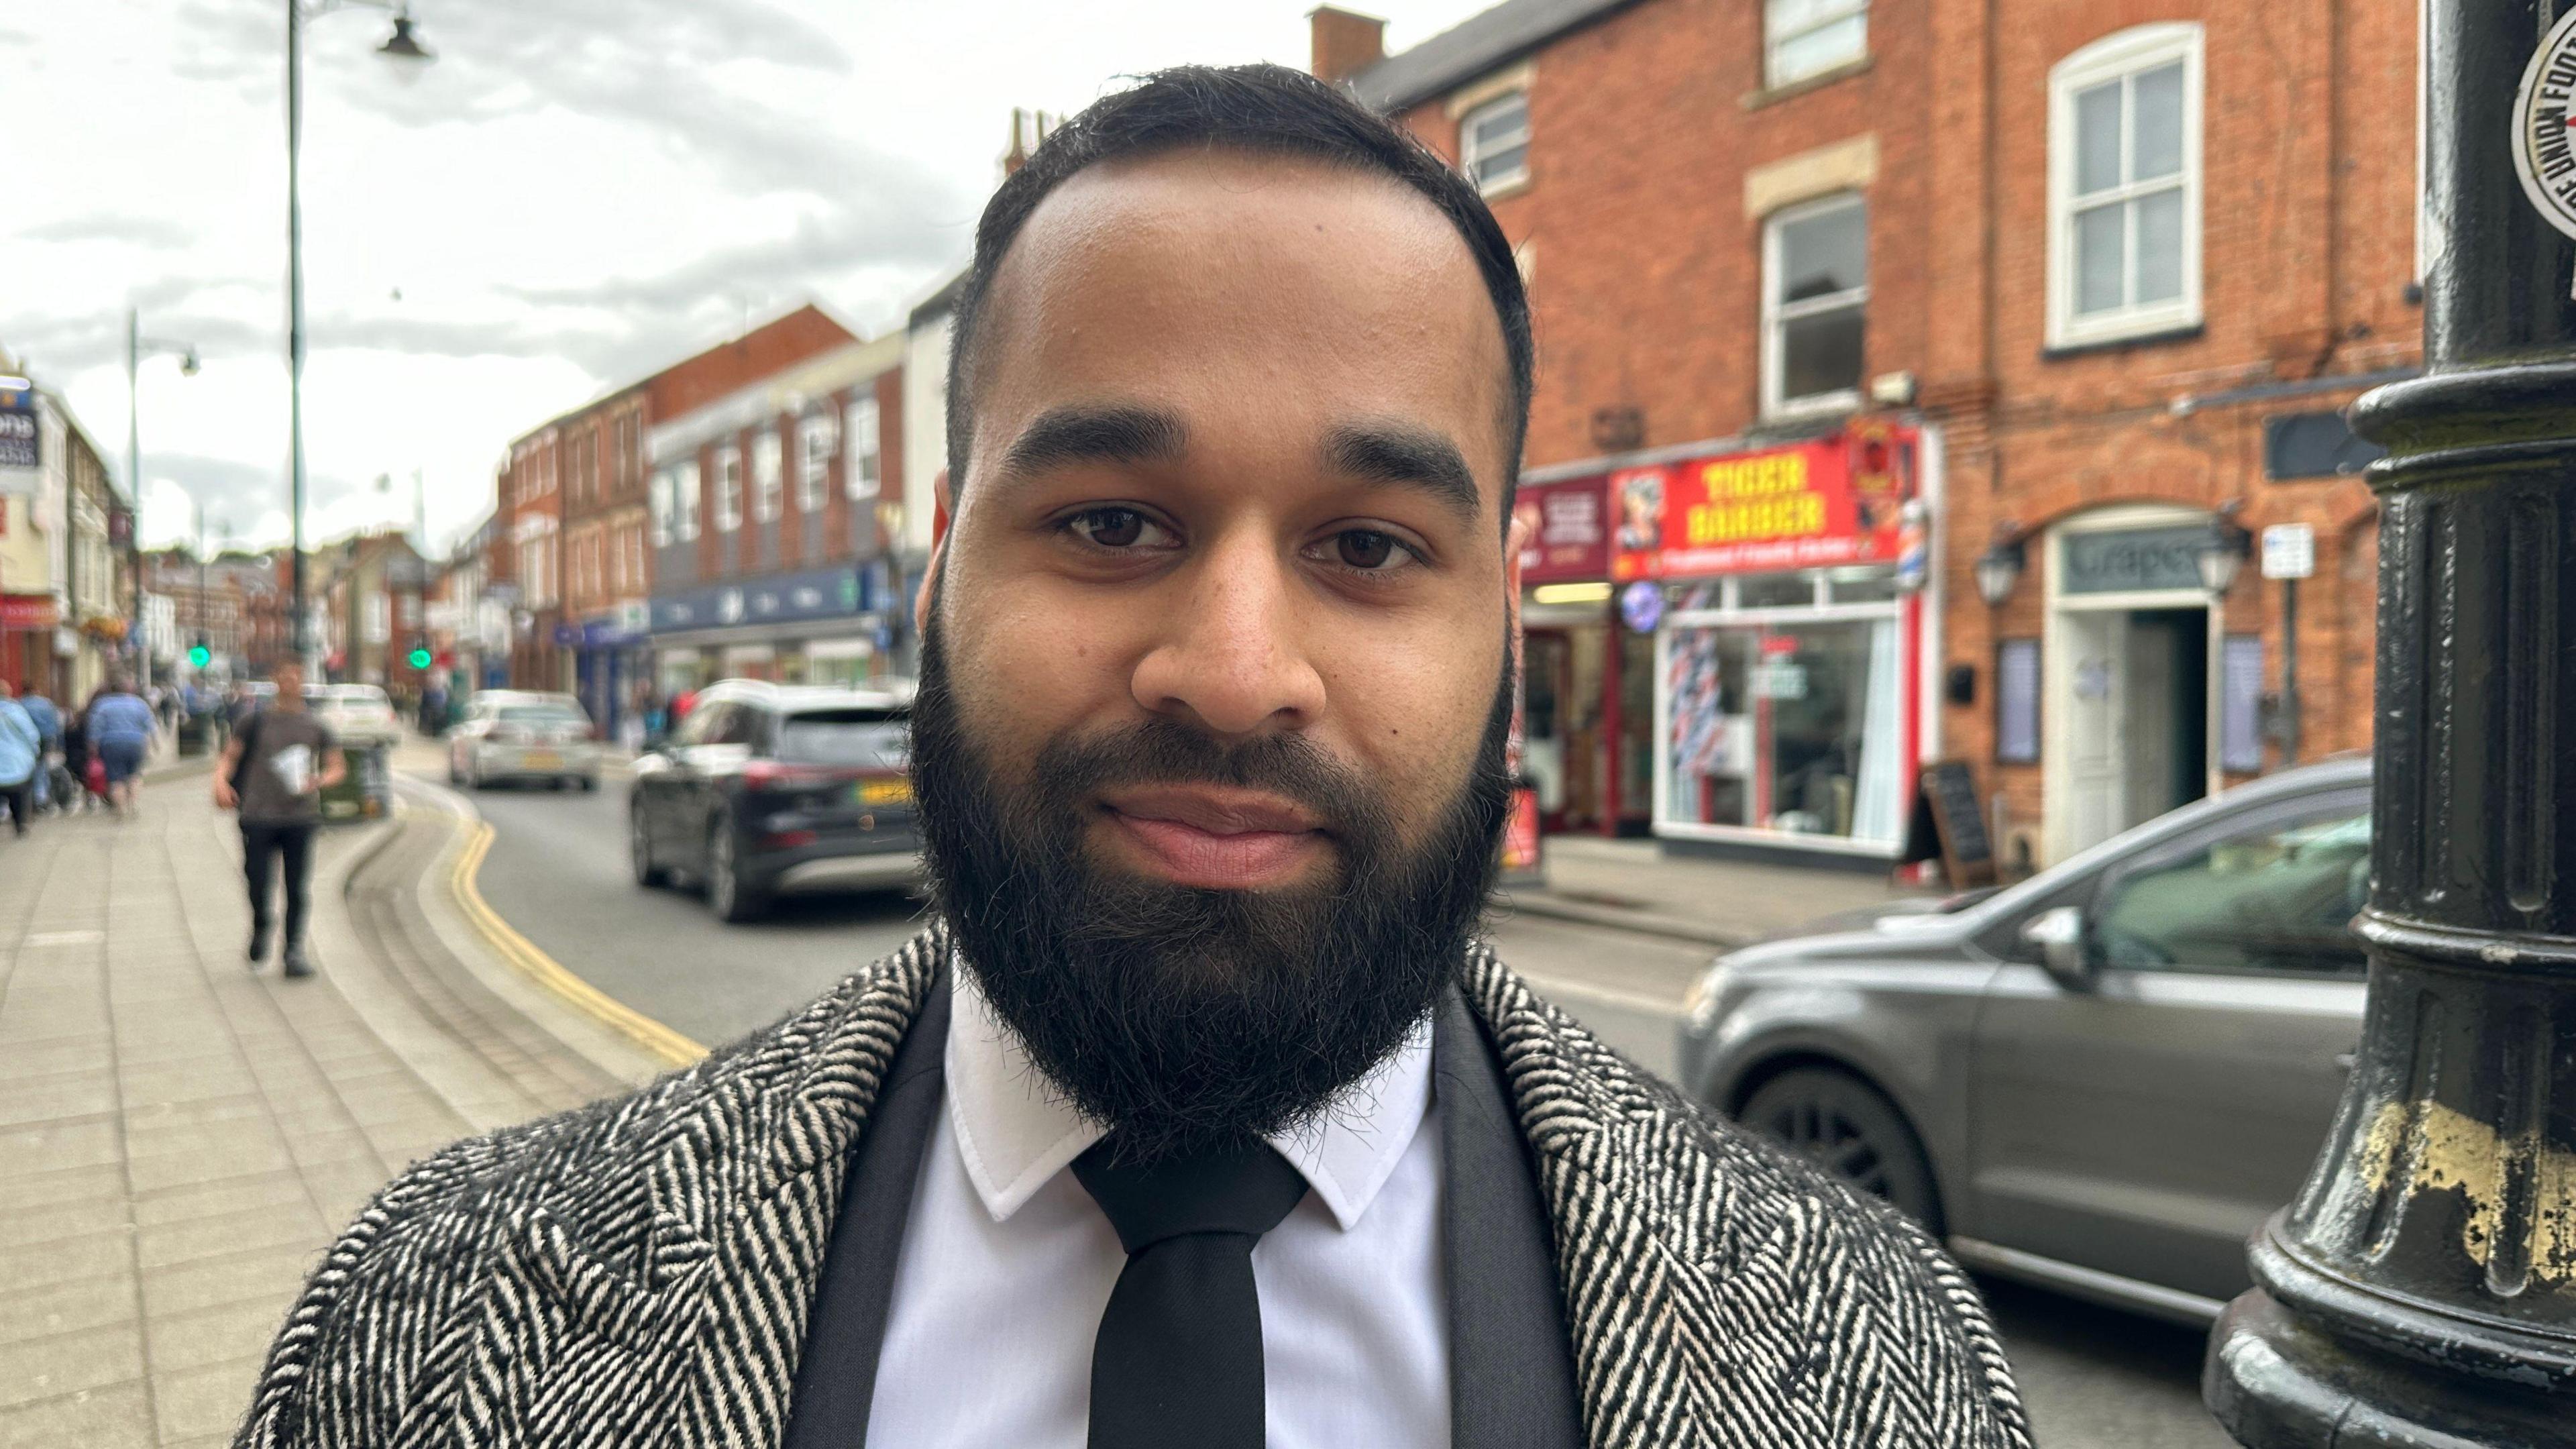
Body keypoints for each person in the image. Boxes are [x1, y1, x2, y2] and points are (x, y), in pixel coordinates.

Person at [233, 66, 2026, 1449]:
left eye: (1372, 548)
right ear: (939, 569)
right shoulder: (434, 1320)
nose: (1237, 676)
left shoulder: (1890, 1358)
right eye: (1107, 522)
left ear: (1505, 617)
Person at [213, 661, 345, 978]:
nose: (290, 680)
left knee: (297, 887)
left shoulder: (316, 726)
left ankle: (294, 950)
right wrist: (219, 783)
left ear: (303, 679)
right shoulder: (253, 721)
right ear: (274, 679)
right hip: (257, 814)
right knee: (258, 882)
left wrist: (320, 780)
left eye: (296, 674)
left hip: (300, 816)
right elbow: (230, 756)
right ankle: (262, 926)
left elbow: (337, 766)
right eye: (284, 674)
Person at [84, 676, 156, 817]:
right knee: (135, 775)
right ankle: (134, 804)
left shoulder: (102, 704)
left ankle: (120, 809)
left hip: (111, 744)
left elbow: (95, 727)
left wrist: (93, 745)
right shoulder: (139, 704)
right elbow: (151, 726)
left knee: (115, 778)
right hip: (136, 742)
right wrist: (154, 744)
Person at [0, 681, 39, 838]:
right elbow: (31, 734)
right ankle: (20, 824)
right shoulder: (16, 710)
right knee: (19, 795)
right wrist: (35, 752)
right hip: (18, 762)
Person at [19, 682, 61, 812]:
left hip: (26, 740)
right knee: (42, 766)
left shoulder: (20, 704)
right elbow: (56, 724)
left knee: (26, 768)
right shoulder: (47, 704)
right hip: (46, 738)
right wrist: (59, 744)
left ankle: (28, 797)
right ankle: (41, 797)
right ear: (36, 690)